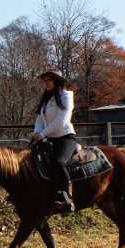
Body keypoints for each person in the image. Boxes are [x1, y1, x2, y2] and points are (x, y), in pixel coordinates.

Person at [32, 68, 76, 213]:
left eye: (48, 80)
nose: (45, 83)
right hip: (49, 138)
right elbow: (39, 118)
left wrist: (42, 134)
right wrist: (36, 133)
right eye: (44, 81)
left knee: (58, 162)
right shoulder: (46, 99)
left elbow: (62, 121)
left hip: (65, 138)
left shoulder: (66, 96)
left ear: (56, 81)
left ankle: (68, 196)